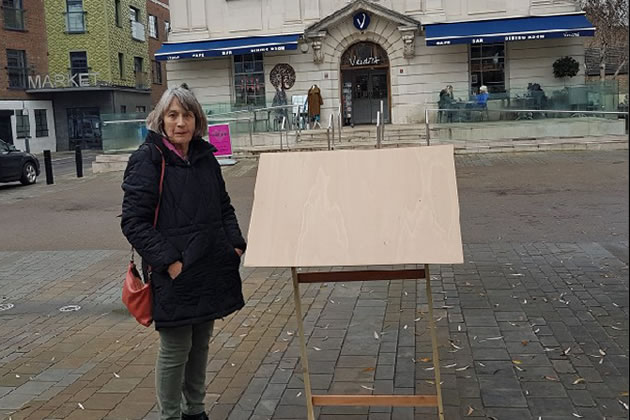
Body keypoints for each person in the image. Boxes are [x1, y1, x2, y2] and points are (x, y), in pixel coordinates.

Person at [121, 85, 246, 420]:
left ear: (197, 119)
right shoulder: (147, 159)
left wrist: (234, 246)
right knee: (176, 348)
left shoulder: (205, 158)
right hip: (174, 272)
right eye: (173, 115)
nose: (180, 122)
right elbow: (133, 222)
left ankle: (196, 411)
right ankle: (171, 415)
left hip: (210, 265)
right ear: (161, 120)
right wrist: (170, 262)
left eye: (187, 115)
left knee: (201, 344)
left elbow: (224, 207)